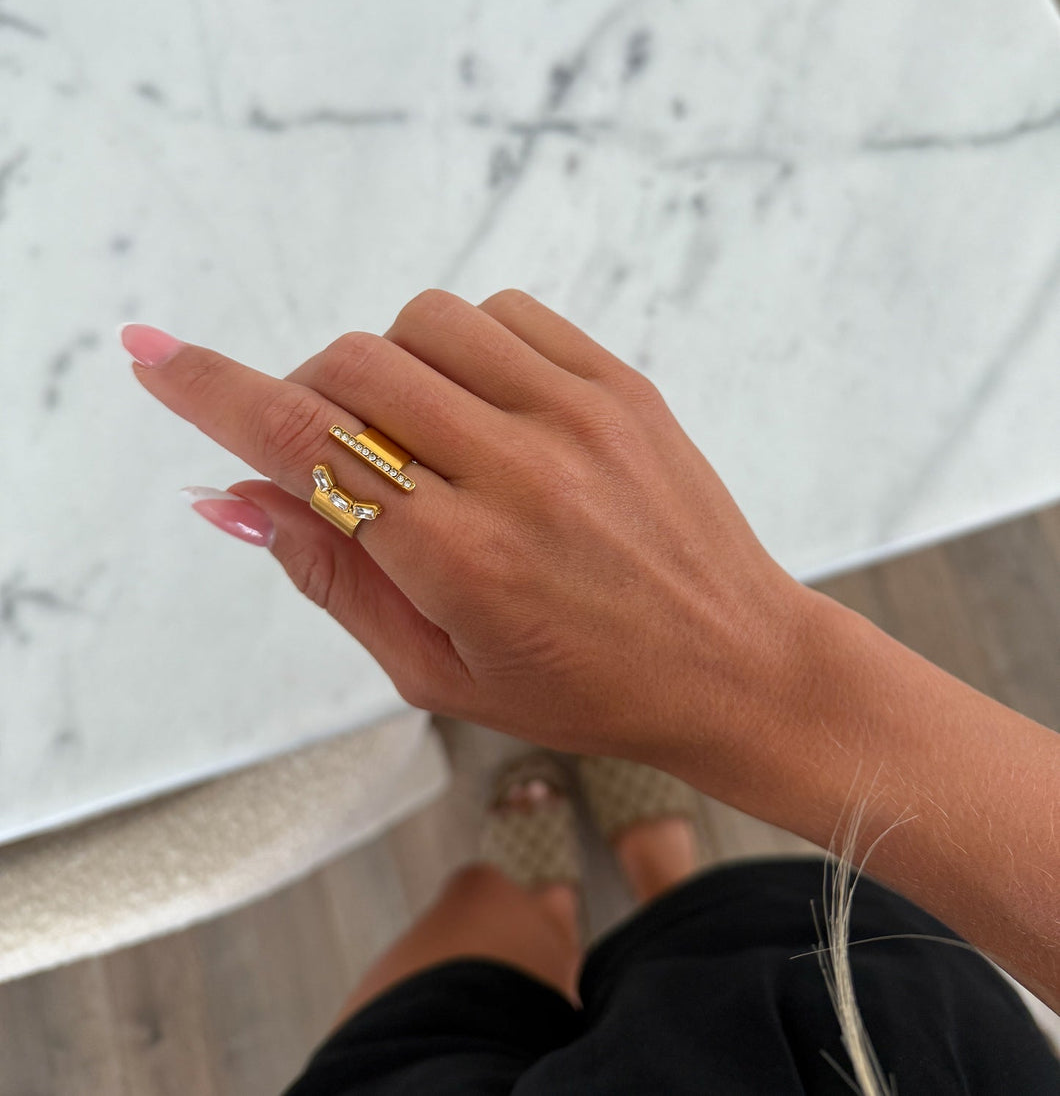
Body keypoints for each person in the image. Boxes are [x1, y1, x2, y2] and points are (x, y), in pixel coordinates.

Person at [119, 288, 1060, 1093]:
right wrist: (773, 680)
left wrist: (772, 688)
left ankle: (553, 900)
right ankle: (661, 869)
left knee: (474, 943)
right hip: (881, 1045)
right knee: (751, 926)